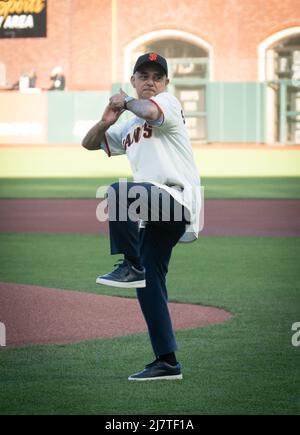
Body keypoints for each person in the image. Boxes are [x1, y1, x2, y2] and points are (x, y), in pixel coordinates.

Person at [82, 52, 201, 381]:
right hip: (155, 207)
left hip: (176, 197)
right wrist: (107, 119)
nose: (150, 81)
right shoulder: (127, 123)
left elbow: (149, 110)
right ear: (133, 80)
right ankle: (167, 361)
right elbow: (89, 143)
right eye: (143, 75)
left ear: (165, 84)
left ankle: (129, 264)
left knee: (119, 192)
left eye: (156, 76)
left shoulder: (168, 103)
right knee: (149, 283)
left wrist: (125, 101)